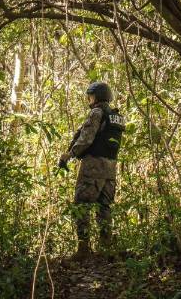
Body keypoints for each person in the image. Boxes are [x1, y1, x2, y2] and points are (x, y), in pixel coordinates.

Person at [58, 81, 126, 260]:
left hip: (93, 166)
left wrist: (69, 155)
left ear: (96, 97)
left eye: (90, 96)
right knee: (104, 207)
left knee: (82, 205)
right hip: (110, 168)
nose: (89, 99)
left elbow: (86, 139)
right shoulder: (117, 116)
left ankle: (83, 249)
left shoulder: (96, 113)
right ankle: (106, 247)